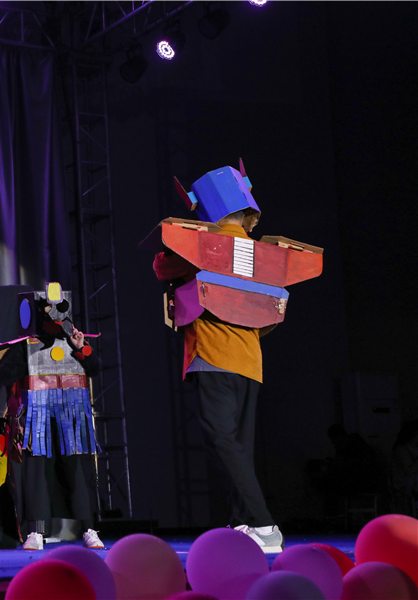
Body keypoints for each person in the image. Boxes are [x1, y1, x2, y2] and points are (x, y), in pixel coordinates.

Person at [149, 162, 310, 553]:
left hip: (213, 354)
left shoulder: (203, 245)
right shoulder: (261, 253)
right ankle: (244, 523)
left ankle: (265, 525)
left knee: (222, 441)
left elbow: (162, 266)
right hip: (250, 362)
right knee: (236, 446)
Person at [0, 292, 104, 551]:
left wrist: (81, 348)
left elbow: (95, 367)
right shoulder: (27, 347)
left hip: (71, 418)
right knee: (36, 476)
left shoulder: (75, 342)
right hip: (39, 419)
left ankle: (89, 530)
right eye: (49, 311)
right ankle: (36, 532)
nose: (56, 317)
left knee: (76, 473)